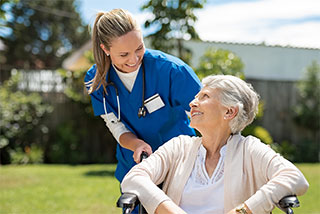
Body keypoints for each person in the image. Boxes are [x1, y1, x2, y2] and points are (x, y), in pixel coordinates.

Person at [121, 75, 309, 214]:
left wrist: (244, 211)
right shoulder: (179, 146)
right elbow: (134, 178)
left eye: (204, 97)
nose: (193, 103)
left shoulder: (250, 149)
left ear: (229, 112)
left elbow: (295, 178)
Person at [84, 8, 201, 183]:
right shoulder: (97, 80)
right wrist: (136, 145)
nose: (134, 59)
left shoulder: (171, 70)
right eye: (124, 54)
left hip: (180, 164)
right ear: (105, 49)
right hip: (135, 166)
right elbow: (116, 126)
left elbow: (207, 115)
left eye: (139, 48)